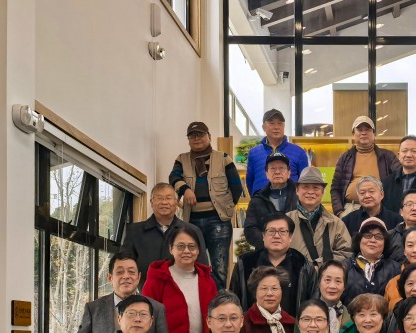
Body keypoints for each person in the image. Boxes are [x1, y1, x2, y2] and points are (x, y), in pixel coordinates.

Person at [169, 121, 243, 290]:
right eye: (192, 136)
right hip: (191, 221)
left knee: (220, 267)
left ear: (209, 136)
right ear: (188, 140)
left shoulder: (223, 158)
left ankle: (218, 301)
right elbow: (173, 177)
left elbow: (237, 187)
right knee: (192, 264)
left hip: (218, 221)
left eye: (200, 135)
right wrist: (186, 189)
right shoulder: (181, 159)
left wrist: (226, 208)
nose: (197, 138)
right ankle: (196, 297)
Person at [121, 182, 208, 288]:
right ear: (152, 202)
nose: (164, 202)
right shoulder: (135, 231)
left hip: (185, 294)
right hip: (147, 294)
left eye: (168, 198)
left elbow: (203, 270)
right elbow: (124, 265)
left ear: (176, 202)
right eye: (159, 198)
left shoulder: (192, 231)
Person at [231, 212, 315, 316]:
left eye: (282, 231)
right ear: (263, 235)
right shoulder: (245, 263)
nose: (276, 236)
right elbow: (233, 301)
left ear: (290, 236)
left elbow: (313, 304)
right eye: (271, 231)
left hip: (292, 325)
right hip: (251, 325)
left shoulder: (304, 265)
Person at [330, 116, 400, 217]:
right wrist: (339, 212)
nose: (363, 133)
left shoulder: (387, 156)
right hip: (350, 209)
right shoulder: (345, 157)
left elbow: (401, 178)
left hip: (381, 209)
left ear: (374, 134)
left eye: (367, 129)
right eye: (359, 130)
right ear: (353, 134)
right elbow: (335, 188)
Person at [287, 166, 352, 266]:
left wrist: (319, 266)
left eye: (316, 188)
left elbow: (346, 253)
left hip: (326, 274)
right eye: (305, 187)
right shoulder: (286, 220)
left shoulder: (336, 223)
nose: (310, 192)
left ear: (323, 191)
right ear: (297, 190)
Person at [240, 267, 297, 333]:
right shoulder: (242, 324)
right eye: (264, 288)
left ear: (282, 291)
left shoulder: (293, 324)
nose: (269, 293)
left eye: (274, 288)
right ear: (255, 291)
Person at [246, 109, 310, 196]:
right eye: (271, 123)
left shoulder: (299, 152)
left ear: (284, 126)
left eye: (280, 123)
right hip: (261, 201)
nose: (276, 127)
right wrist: (257, 200)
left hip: (290, 201)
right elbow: (249, 181)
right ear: (263, 127)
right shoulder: (254, 153)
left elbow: (305, 181)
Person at [243, 152, 299, 250]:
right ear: (266, 174)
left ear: (289, 173)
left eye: (281, 168)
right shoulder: (257, 199)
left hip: (296, 250)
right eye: (273, 168)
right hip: (265, 252)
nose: (277, 172)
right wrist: (269, 244)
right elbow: (250, 229)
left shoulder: (300, 195)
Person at [342, 217, 400, 304]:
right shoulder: (344, 267)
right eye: (367, 235)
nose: (372, 240)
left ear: (385, 242)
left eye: (379, 237)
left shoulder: (395, 269)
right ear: (359, 239)